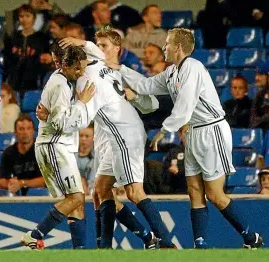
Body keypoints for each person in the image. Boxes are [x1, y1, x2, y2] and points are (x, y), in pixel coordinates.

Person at [112, 28, 264, 249]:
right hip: (193, 132)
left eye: (167, 43)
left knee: (214, 194)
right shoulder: (173, 71)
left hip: (212, 131)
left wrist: (164, 130)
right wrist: (120, 68)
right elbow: (146, 85)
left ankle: (252, 237)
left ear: (178, 47)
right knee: (193, 190)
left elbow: (185, 106)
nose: (164, 46)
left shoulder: (193, 67)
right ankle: (200, 244)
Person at [58, 31, 172, 249]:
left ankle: (166, 243)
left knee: (135, 193)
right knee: (100, 188)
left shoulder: (91, 78)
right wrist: (83, 42)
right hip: (113, 134)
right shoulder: (104, 67)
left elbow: (79, 120)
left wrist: (72, 110)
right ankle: (105, 248)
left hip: (124, 135)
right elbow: (94, 50)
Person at [21, 46, 93, 250]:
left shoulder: (62, 78)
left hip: (60, 145)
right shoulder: (61, 86)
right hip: (54, 145)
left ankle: (80, 252)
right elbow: (61, 124)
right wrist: (81, 103)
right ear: (66, 65)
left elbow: (57, 118)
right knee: (76, 197)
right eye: (78, 69)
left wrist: (51, 115)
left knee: (76, 202)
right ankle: (33, 236)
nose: (81, 73)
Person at [0, 114, 45, 195]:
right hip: (15, 195)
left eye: (28, 128)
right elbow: (1, 181)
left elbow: (46, 181)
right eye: (21, 129)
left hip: (39, 196)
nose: (25, 132)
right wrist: (11, 184)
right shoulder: (8, 153)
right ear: (15, 132)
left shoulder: (42, 150)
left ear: (33, 131)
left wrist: (21, 183)